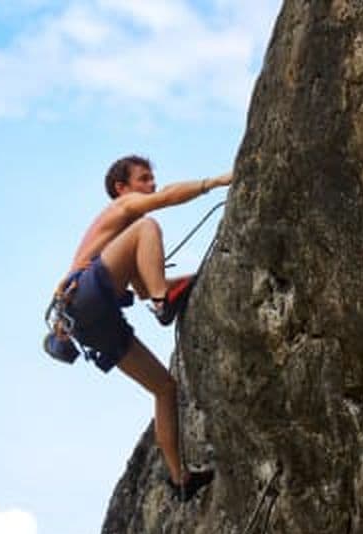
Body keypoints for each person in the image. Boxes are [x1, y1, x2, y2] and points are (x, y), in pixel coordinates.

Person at [52, 155, 233, 501]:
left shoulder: (122, 248)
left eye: (152, 179)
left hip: (87, 322)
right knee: (148, 225)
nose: (151, 185)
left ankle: (179, 478)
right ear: (122, 188)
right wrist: (216, 181)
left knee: (165, 388)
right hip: (86, 297)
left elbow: (142, 286)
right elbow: (165, 199)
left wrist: (190, 282)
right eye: (144, 179)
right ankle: (164, 304)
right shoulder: (124, 208)